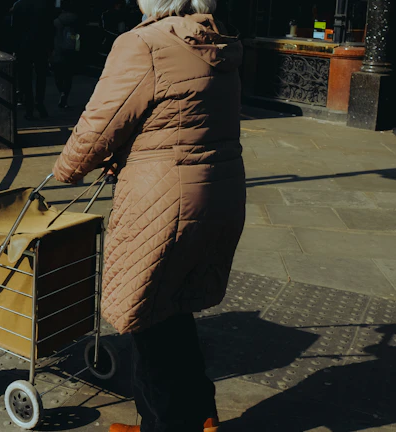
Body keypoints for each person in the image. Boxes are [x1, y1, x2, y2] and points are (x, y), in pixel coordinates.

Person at [51, 0, 245, 431]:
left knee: (147, 319)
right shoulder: (217, 42)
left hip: (164, 202)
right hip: (218, 193)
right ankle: (202, 415)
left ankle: (166, 424)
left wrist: (67, 169)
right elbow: (179, 118)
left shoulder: (143, 43)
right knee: (175, 310)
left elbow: (101, 122)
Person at [11, 0, 54, 119]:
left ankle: (29, 107)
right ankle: (39, 102)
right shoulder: (44, 5)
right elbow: (49, 27)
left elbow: (15, 29)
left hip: (23, 47)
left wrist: (14, 48)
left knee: (25, 78)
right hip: (41, 45)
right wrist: (50, 47)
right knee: (41, 76)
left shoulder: (19, 5)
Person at [51, 0, 83, 109]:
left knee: (58, 75)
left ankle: (61, 91)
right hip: (71, 50)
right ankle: (65, 94)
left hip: (58, 50)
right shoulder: (77, 20)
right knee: (68, 76)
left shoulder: (56, 21)